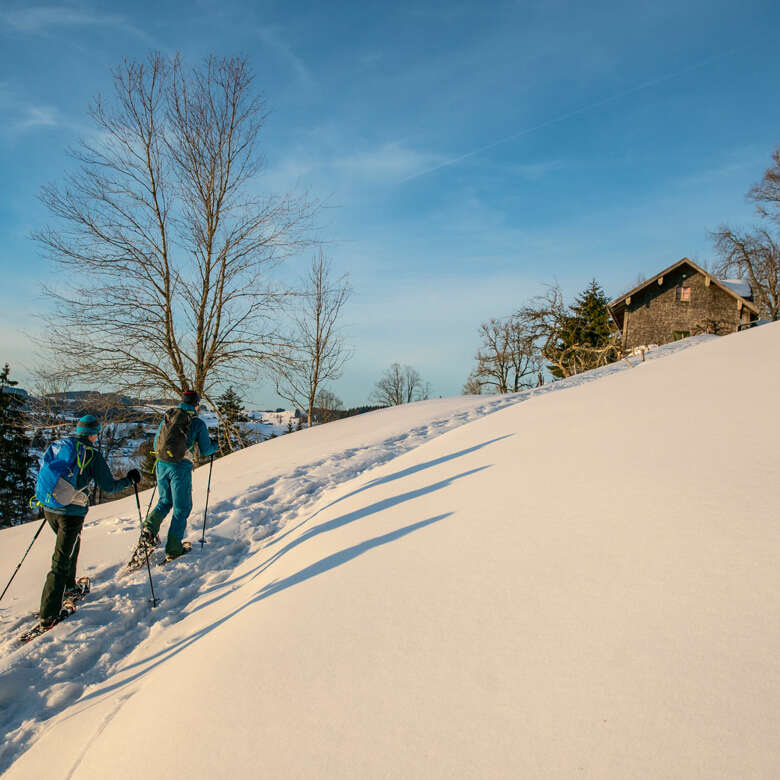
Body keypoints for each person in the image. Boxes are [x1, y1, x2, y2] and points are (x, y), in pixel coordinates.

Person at [38, 414, 140, 628]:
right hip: (71, 513)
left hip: (50, 508)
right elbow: (109, 487)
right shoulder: (92, 454)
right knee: (61, 560)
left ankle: (69, 587)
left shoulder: (63, 446)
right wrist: (129, 480)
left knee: (71, 547)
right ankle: (48, 614)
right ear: (94, 433)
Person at [141, 390, 217, 559]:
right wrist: (215, 446)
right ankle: (174, 548)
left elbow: (156, 443)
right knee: (182, 508)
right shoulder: (197, 423)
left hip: (161, 464)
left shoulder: (168, 416)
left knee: (165, 501)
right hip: (180, 467)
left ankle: (149, 529)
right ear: (196, 404)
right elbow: (206, 449)